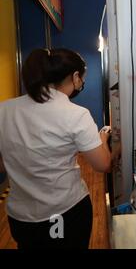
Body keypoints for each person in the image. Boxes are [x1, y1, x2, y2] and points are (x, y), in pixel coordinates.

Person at [0, 49, 112, 249]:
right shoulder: (76, 114)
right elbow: (102, 164)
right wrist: (102, 138)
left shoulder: (4, 109)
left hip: (21, 219)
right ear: (76, 77)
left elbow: (2, 165)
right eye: (81, 78)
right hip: (64, 213)